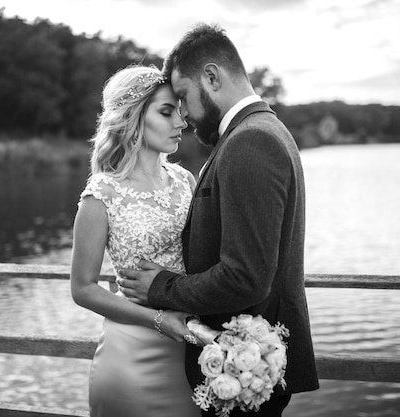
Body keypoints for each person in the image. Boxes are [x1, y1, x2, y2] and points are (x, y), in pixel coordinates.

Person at [117, 24, 320, 416]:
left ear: (211, 76)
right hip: (245, 365)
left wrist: (160, 286)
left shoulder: (251, 141)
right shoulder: (259, 131)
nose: (184, 114)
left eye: (183, 97)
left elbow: (246, 277)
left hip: (247, 368)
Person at [69, 64, 201, 417]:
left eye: (180, 111)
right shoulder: (102, 193)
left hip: (189, 351)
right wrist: (160, 319)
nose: (181, 123)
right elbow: (83, 288)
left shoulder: (185, 179)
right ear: (134, 117)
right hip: (130, 356)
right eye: (166, 112)